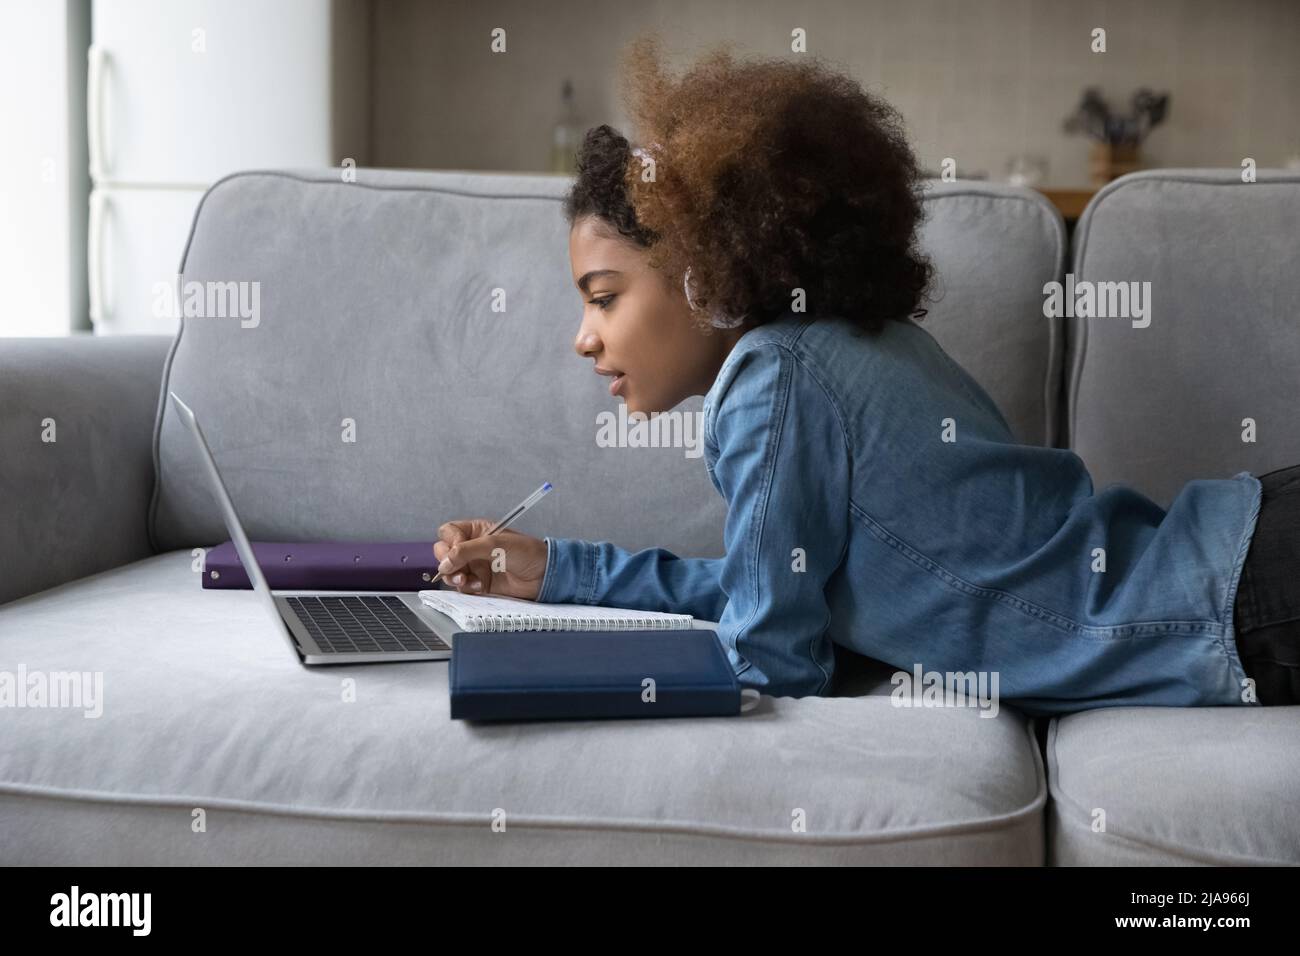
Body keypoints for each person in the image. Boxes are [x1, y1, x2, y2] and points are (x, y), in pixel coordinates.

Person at [433, 37, 1294, 714]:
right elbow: (776, 588)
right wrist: (558, 573)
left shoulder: (771, 387)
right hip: (1246, 553)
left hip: (1240, 600)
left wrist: (549, 671)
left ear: (703, 269)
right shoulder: (843, 349)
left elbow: (771, 657)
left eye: (603, 297)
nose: (584, 339)